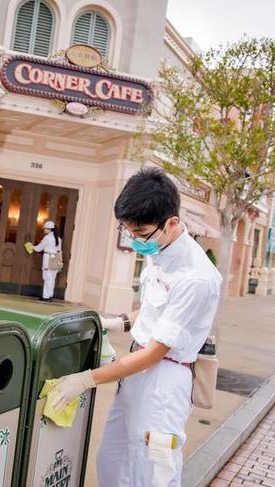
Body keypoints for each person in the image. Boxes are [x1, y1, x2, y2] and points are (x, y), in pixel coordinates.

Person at [48, 168, 222, 486]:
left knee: (151, 474)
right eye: (129, 231)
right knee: (113, 462)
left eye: (140, 233)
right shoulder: (161, 249)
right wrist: (120, 322)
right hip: (136, 374)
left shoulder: (196, 277)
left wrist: (86, 379)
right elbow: (155, 309)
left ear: (172, 223)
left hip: (164, 382)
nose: (135, 240)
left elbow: (156, 353)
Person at [27, 220, 62, 302]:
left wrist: (31, 246)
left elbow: (39, 248)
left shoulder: (47, 238)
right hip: (55, 259)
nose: (44, 230)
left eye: (45, 228)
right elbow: (59, 251)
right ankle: (49, 295)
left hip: (48, 258)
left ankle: (45, 296)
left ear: (49, 229)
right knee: (52, 278)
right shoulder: (59, 239)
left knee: (47, 278)